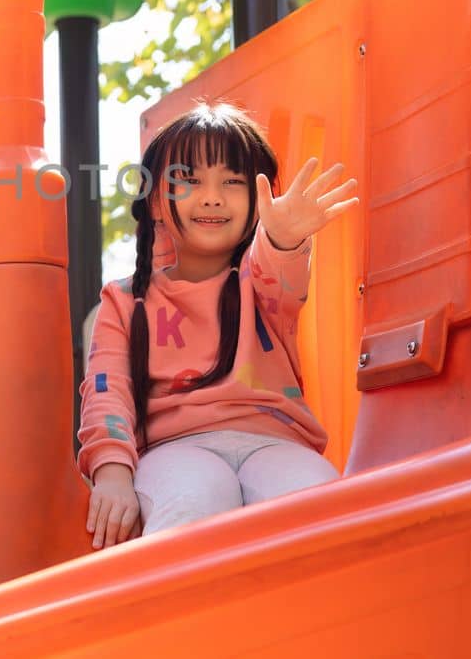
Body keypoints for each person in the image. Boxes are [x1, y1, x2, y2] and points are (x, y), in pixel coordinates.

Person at [79, 101, 360, 549]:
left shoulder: (261, 284)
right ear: (155, 199)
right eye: (189, 181)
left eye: (233, 182)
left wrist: (285, 236)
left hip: (276, 443)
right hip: (175, 447)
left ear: (257, 202)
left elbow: (279, 266)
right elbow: (106, 389)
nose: (212, 196)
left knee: (318, 504)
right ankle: (182, 618)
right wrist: (112, 470)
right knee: (194, 502)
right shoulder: (125, 301)